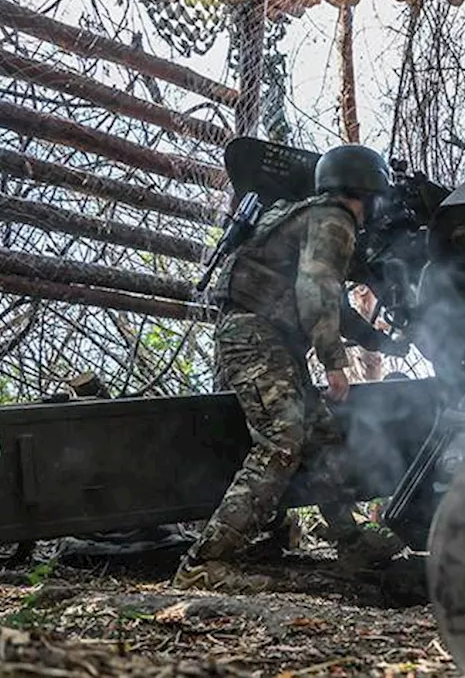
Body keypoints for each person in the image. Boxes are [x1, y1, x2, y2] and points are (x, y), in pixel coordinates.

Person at [172, 144, 404, 592]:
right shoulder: (335, 218)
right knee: (283, 438)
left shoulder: (310, 213)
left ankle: (352, 542)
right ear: (369, 190)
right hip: (257, 335)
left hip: (267, 337)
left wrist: (381, 342)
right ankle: (204, 561)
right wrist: (336, 362)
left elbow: (331, 301)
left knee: (322, 438)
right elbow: (315, 291)